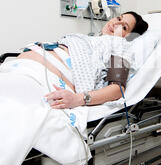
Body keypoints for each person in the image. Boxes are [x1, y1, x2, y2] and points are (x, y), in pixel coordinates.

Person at [16, 11, 148, 110]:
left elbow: (117, 88)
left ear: (128, 37)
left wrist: (78, 99)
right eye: (119, 18)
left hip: (45, 80)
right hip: (21, 67)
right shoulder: (91, 39)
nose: (116, 23)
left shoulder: (120, 45)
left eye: (124, 27)